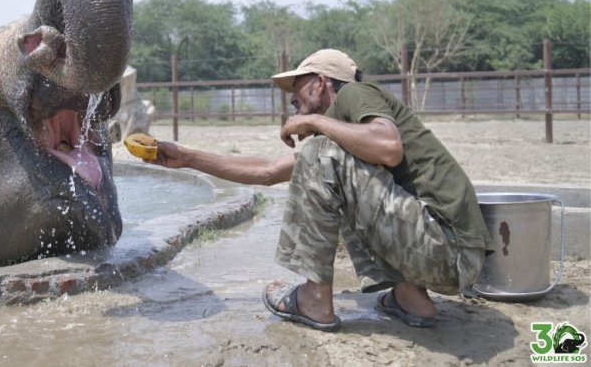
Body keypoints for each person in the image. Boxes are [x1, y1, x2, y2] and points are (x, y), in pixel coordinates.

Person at [149, 49, 492, 331]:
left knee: (317, 154)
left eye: (296, 93)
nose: (293, 106)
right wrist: (189, 158)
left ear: (321, 84)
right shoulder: (343, 137)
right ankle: (411, 299)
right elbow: (267, 172)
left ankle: (314, 300)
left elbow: (389, 146)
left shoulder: (355, 94)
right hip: (448, 255)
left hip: (447, 249)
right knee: (321, 157)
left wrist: (312, 122)